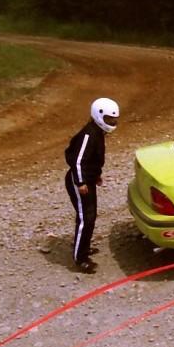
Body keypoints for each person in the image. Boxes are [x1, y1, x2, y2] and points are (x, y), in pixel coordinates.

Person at [64, 97, 120, 272]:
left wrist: (96, 175)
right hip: (78, 181)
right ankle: (80, 258)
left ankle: (84, 247)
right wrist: (80, 182)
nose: (112, 122)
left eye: (113, 119)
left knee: (90, 216)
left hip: (88, 180)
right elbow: (78, 162)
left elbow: (93, 160)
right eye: (109, 119)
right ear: (99, 116)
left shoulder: (97, 133)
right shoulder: (89, 135)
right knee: (85, 218)